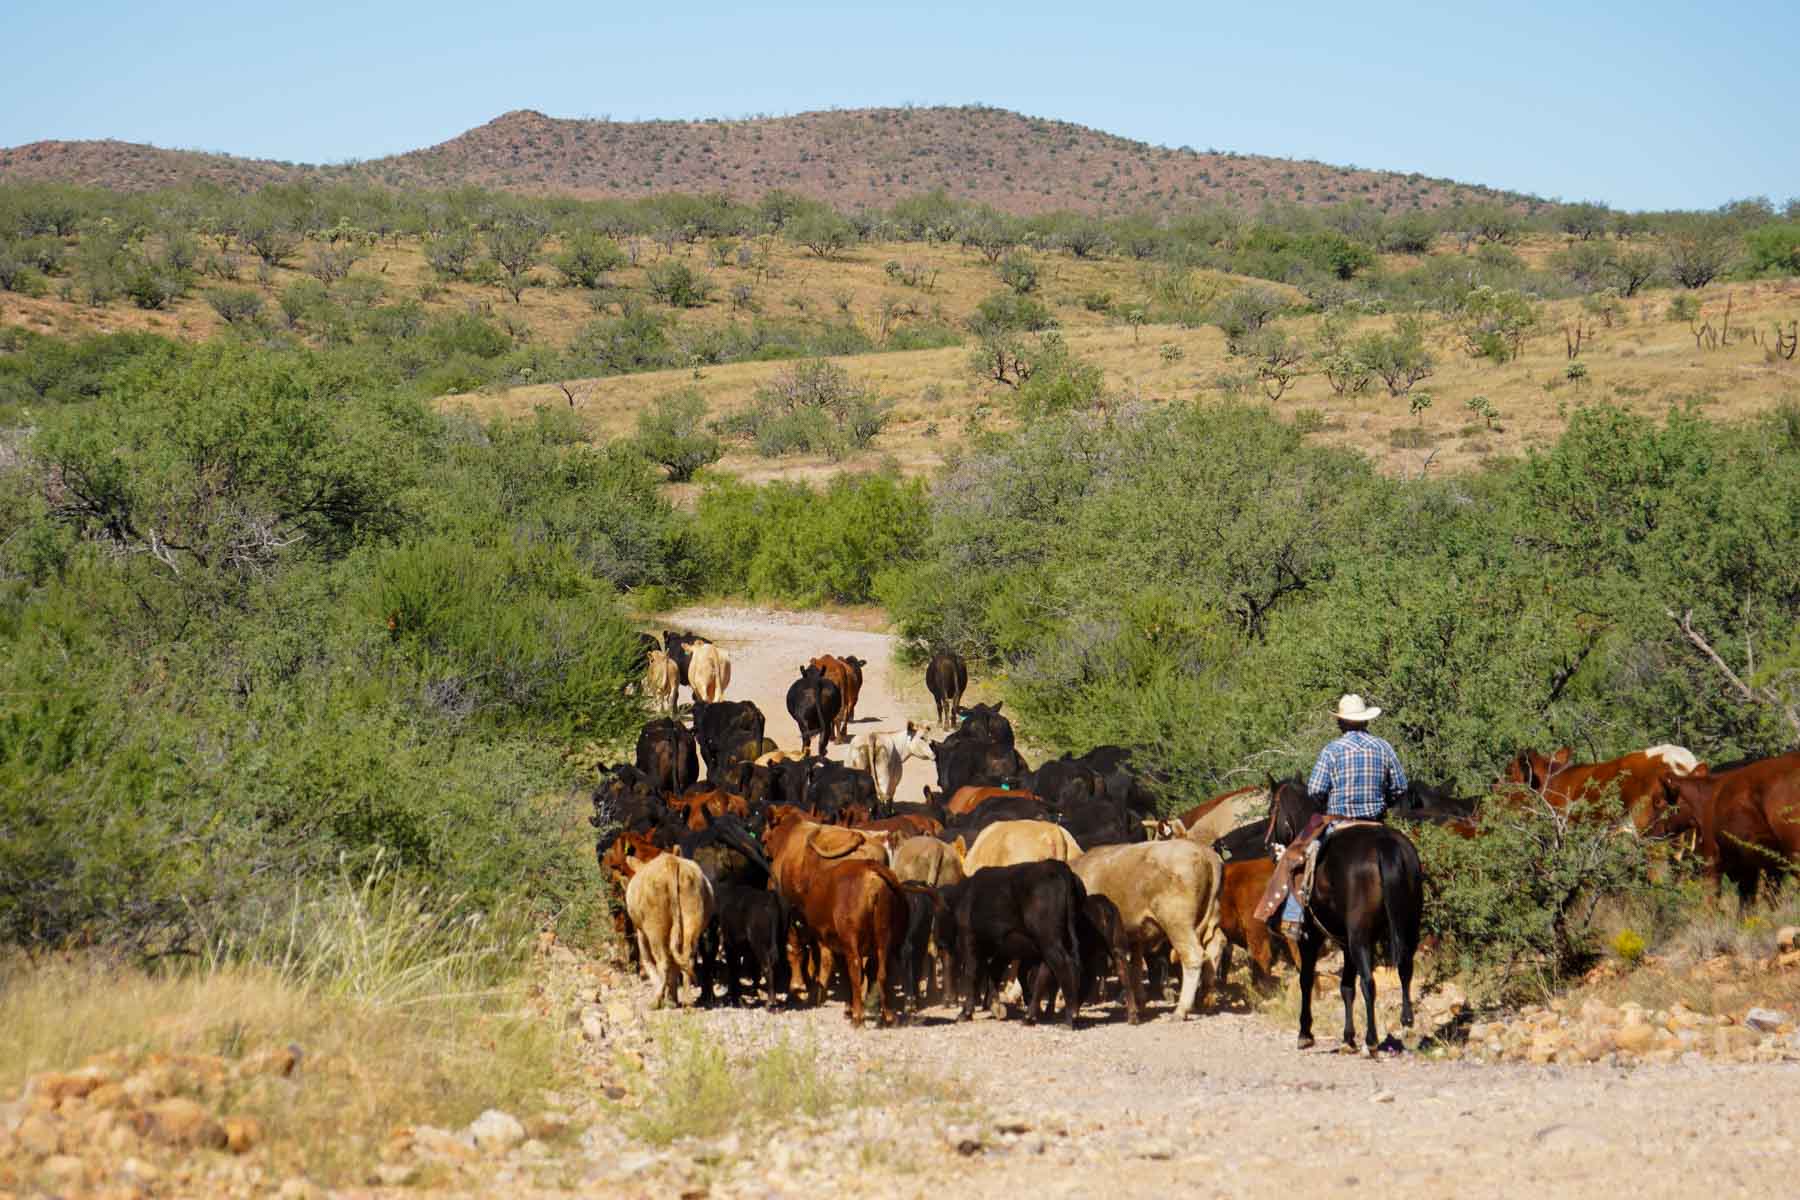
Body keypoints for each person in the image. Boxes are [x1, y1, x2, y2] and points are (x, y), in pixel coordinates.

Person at [1276, 694, 1409, 942]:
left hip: (1339, 822)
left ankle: (1294, 917)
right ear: (1366, 721)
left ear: (1341, 722)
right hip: (1376, 822)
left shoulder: (1332, 750)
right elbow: (1400, 787)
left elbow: (1315, 790)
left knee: (1300, 855)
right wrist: (1384, 799)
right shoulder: (1384, 748)